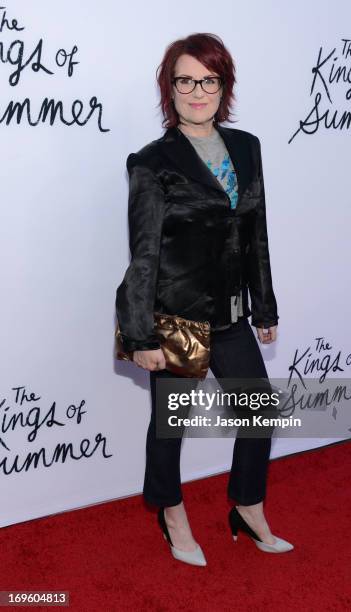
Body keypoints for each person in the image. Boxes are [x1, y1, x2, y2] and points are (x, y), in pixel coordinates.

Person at [115, 33, 293, 566]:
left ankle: (248, 506)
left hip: (232, 316)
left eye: (208, 80)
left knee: (259, 416)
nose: (198, 91)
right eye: (185, 80)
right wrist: (141, 334)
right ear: (170, 88)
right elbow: (143, 253)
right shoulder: (152, 161)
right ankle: (171, 514)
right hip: (175, 318)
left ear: (224, 85)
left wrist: (264, 306)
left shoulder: (246, 147)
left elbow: (256, 231)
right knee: (170, 428)